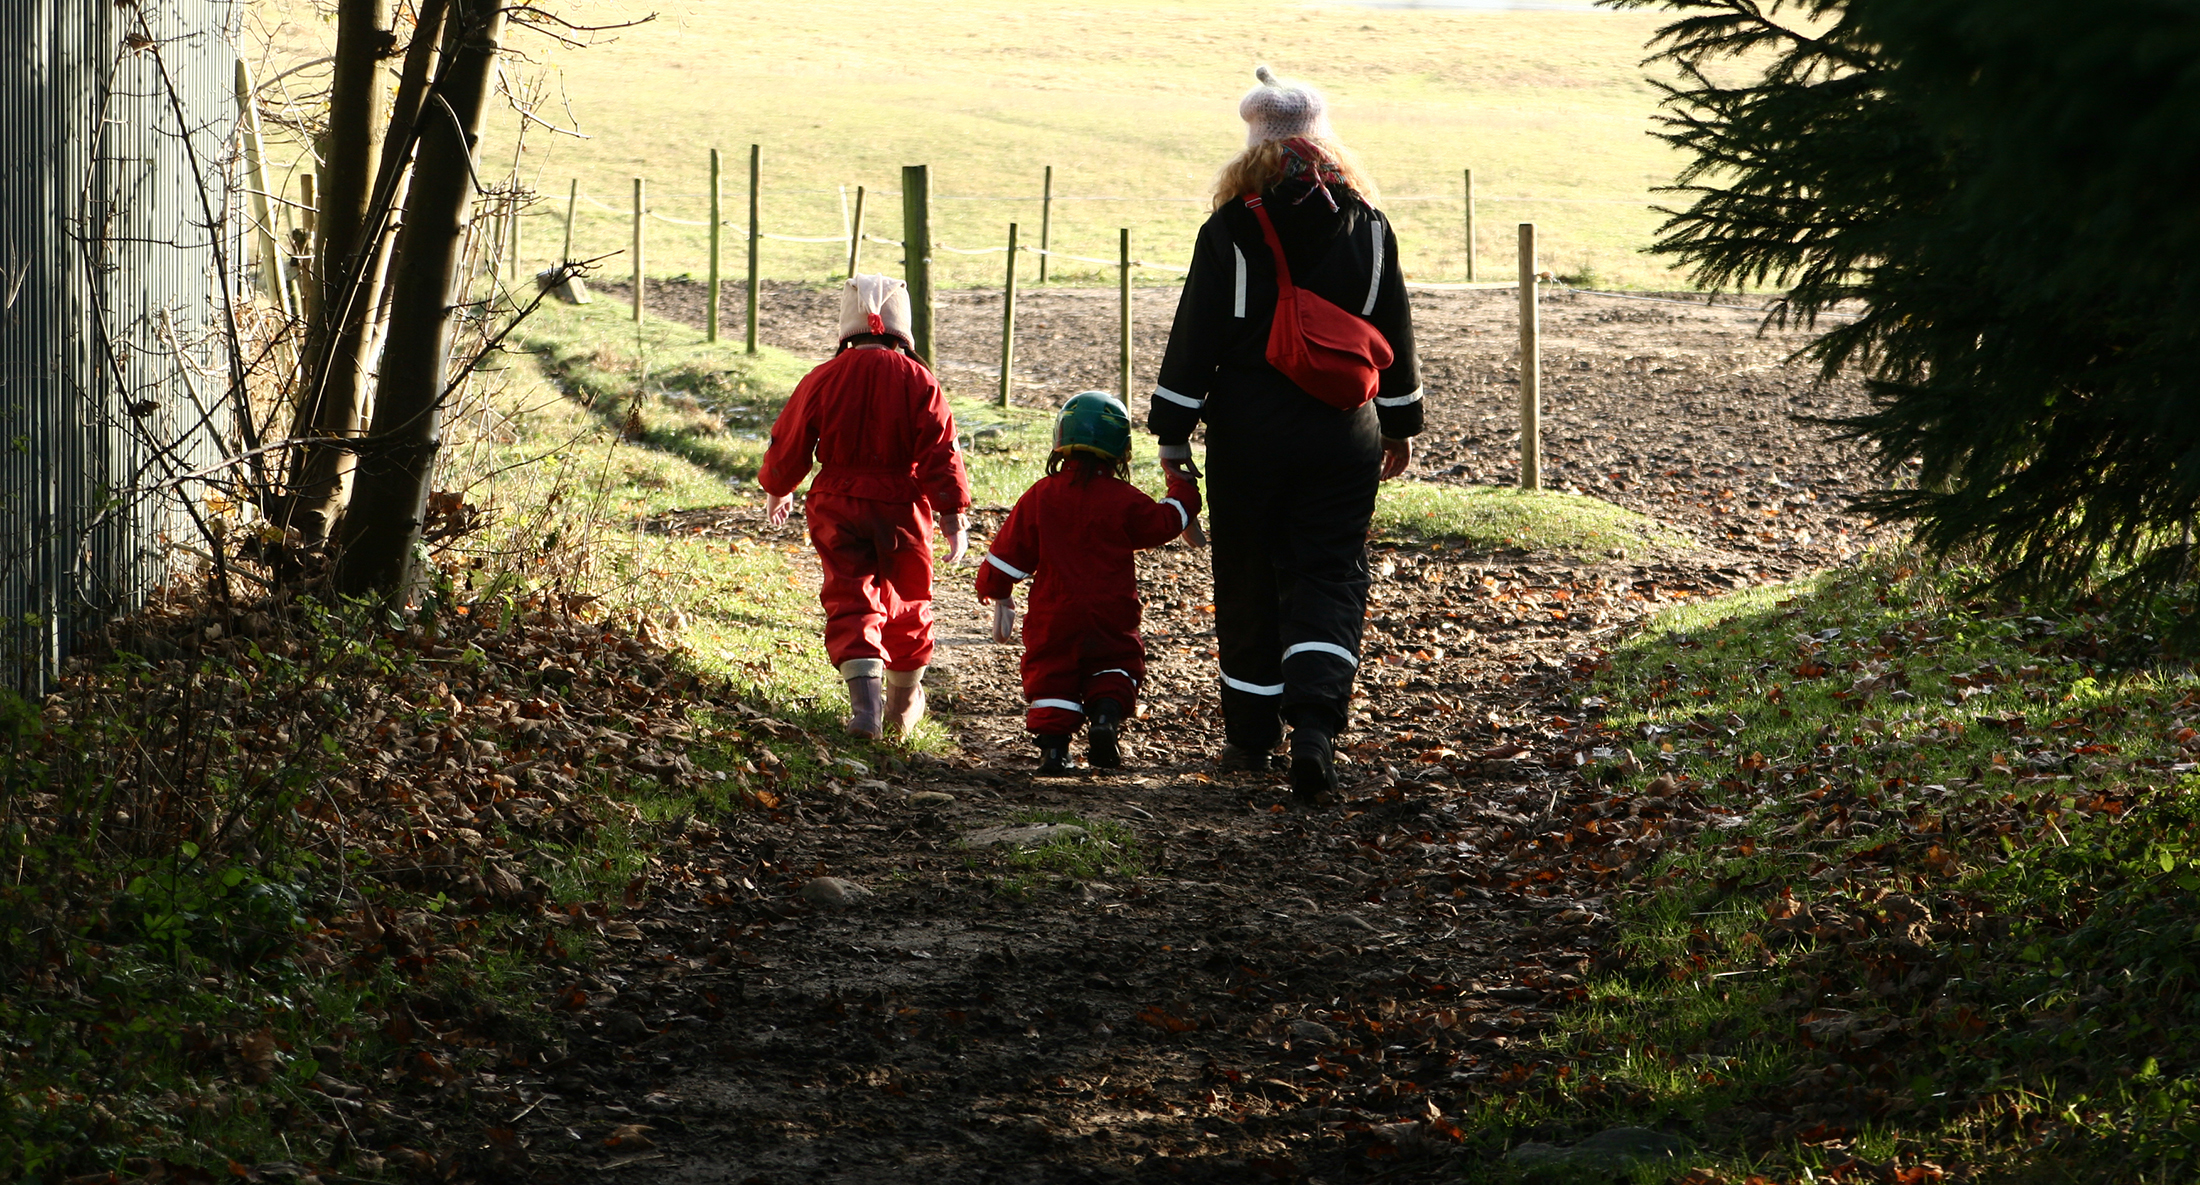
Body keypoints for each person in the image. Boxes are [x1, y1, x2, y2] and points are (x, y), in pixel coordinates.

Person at [1147, 65, 1424, 806]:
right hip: (1344, 431)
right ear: (1324, 138)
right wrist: (1401, 423)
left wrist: (1173, 433)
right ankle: (1315, 728)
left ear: (1255, 141)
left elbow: (1194, 336)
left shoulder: (1232, 224)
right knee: (1328, 573)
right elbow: (1392, 330)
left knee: (1247, 574)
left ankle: (1250, 738)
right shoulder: (1369, 223)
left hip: (1247, 435)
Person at [759, 274, 972, 739]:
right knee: (908, 599)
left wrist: (780, 486)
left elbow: (791, 437)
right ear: (903, 328)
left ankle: (864, 713)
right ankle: (902, 706)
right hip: (903, 506)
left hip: (837, 502)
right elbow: (942, 451)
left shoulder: (823, 377)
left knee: (850, 596)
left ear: (846, 326)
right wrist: (953, 514)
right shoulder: (920, 379)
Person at [976, 392, 1201, 776]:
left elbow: (1007, 553)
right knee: (1115, 662)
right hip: (1111, 609)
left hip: (1055, 610)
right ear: (1121, 451)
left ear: (1060, 442)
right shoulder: (1123, 499)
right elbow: (1166, 521)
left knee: (1052, 669)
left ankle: (1053, 750)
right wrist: (1181, 487)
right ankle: (1105, 718)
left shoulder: (1040, 496)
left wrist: (996, 590)